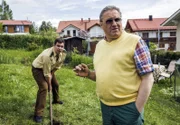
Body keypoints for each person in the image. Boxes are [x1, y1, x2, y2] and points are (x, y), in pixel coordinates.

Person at [73, 5, 154, 125]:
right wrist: (89, 74)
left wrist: (137, 108)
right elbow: (105, 75)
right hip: (105, 106)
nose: (114, 23)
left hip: (128, 108)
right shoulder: (100, 46)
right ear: (101, 25)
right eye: (109, 21)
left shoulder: (135, 41)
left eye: (117, 19)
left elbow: (148, 78)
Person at [32, 37, 66, 123]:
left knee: (56, 84)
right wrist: (49, 83)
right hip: (38, 69)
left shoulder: (63, 54)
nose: (60, 48)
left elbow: (57, 66)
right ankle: (38, 114)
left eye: (62, 46)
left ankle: (56, 100)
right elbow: (46, 74)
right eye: (58, 46)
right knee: (44, 87)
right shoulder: (47, 55)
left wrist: (52, 74)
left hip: (50, 69)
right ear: (54, 45)